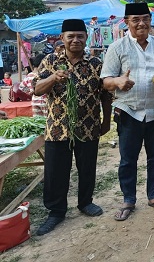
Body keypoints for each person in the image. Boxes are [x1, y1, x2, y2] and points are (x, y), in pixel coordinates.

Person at [33, 19, 112, 236]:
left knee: (87, 168)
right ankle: (56, 212)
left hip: (88, 127)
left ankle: (85, 202)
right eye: (71, 36)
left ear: (86, 38)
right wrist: (52, 78)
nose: (76, 40)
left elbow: (105, 94)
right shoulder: (50, 61)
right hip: (57, 129)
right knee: (55, 172)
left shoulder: (95, 63)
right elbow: (36, 89)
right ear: (62, 38)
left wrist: (106, 122)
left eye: (80, 36)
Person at [101, 3, 154, 221]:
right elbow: (105, 81)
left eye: (145, 18)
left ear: (150, 20)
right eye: (136, 19)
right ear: (127, 22)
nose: (141, 23)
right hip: (129, 111)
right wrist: (117, 81)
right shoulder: (117, 48)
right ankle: (128, 199)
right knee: (128, 159)